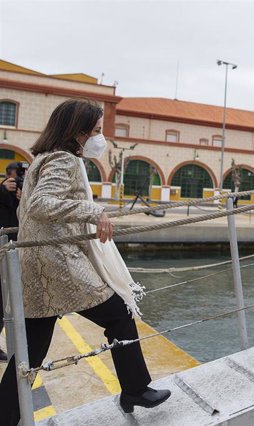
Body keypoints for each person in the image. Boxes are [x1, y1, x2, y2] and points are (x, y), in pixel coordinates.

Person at [0, 99, 170, 424]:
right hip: (59, 264)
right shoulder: (63, 159)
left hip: (37, 266)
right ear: (76, 132)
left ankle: (4, 415)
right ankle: (135, 389)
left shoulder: (42, 157)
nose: (99, 137)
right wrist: (94, 211)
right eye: (95, 130)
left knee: (30, 351)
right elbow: (40, 204)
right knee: (119, 314)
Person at [0, 161, 24, 362]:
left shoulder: (21, 193)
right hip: (2, 248)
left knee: (9, 300)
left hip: (15, 249)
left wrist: (23, 200)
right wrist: (1, 189)